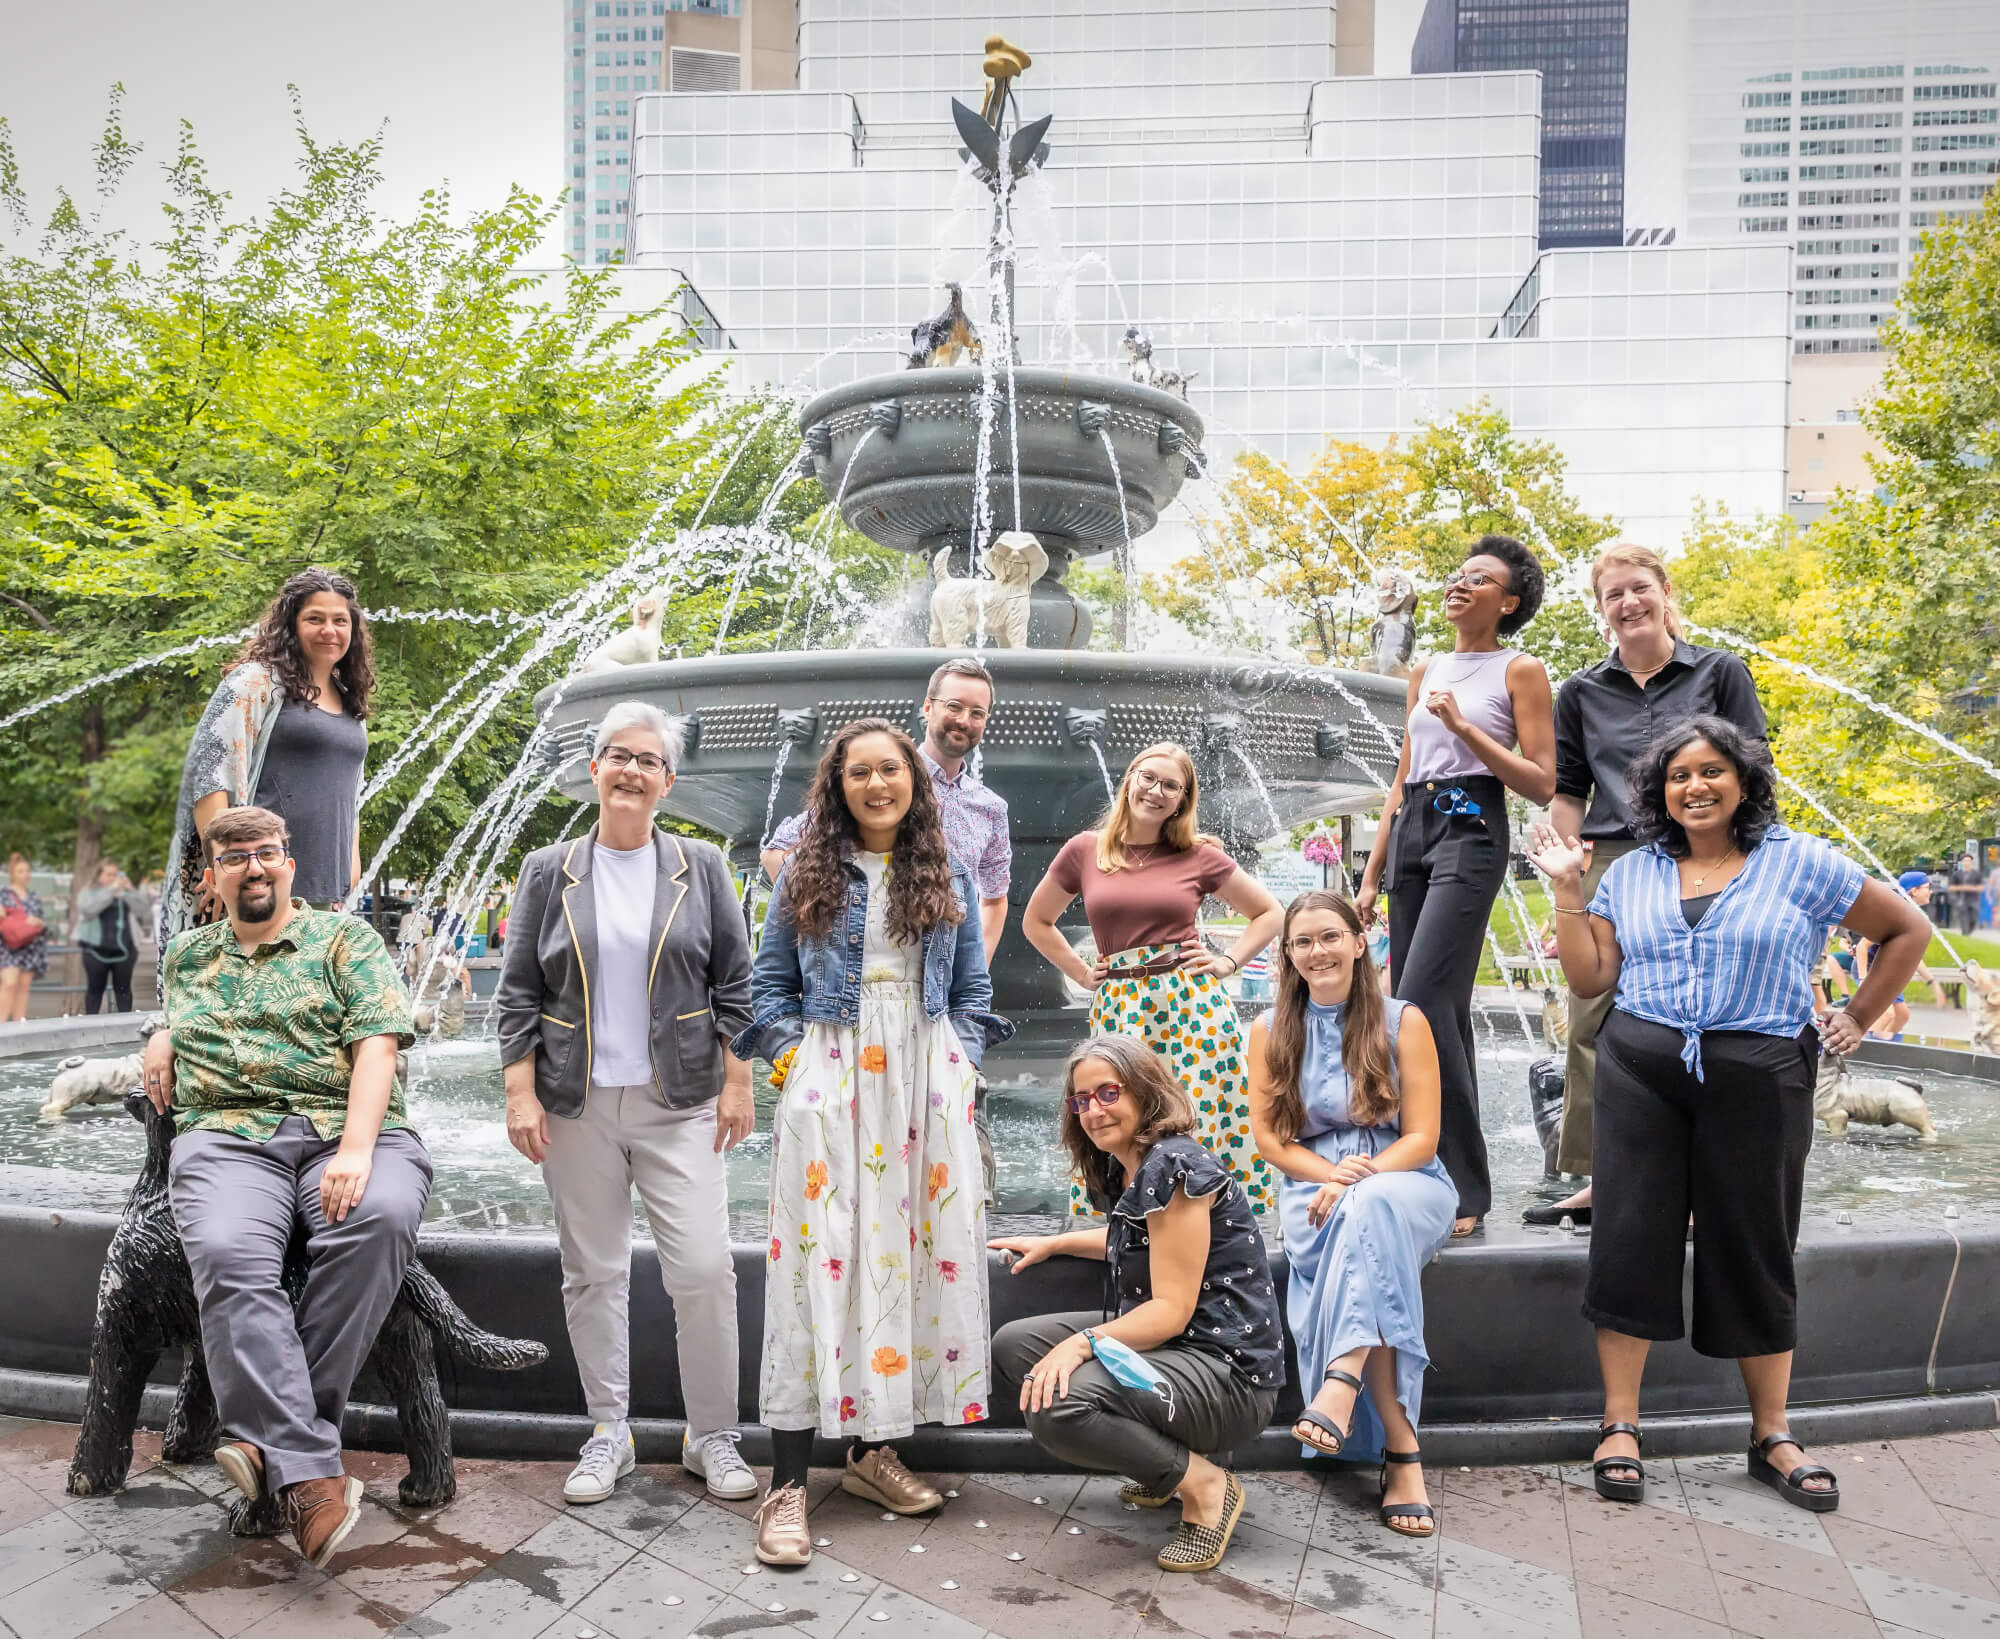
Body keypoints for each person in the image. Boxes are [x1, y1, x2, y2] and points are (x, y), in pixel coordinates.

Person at [1526, 715, 1932, 1513]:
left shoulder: (1800, 860)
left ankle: (1771, 1433)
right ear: (1660, 791)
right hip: (1641, 1069)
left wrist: (1857, 1012)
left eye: (1711, 770)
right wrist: (1568, 891)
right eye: (1678, 776)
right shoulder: (1636, 871)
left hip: (1760, 1073)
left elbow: (1905, 929)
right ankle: (1619, 1423)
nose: (1695, 786)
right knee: (1629, 1237)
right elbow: (1586, 978)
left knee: (1755, 1243)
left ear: (1742, 780)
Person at [734, 717, 1008, 1568]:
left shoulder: (948, 869)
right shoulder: (807, 873)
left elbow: (973, 988)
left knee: (903, 1258)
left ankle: (865, 1450)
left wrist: (957, 1064)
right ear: (839, 784)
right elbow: (766, 989)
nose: (877, 784)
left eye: (891, 769)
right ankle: (785, 1484)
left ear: (913, 781)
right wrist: (796, 1070)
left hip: (922, 1083)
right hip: (834, 1075)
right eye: (860, 773)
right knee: (817, 1261)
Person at [138, 805, 428, 1567]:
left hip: (348, 1129)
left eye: (266, 853)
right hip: (230, 1141)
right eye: (235, 858)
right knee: (230, 1251)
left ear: (290, 865)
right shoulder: (187, 958)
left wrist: (358, 1149)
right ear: (213, 878)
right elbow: (179, 1019)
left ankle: (272, 1453)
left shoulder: (345, 938)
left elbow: (377, 1044)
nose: (254, 867)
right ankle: (312, 1470)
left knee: (382, 1212)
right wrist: (162, 1034)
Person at [496, 702, 758, 1507]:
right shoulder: (549, 868)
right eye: (618, 756)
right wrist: (519, 1091)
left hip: (677, 1097)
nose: (632, 772)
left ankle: (711, 1431)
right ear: (594, 767)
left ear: (668, 781)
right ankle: (608, 1429)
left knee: (706, 1271)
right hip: (574, 1102)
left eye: (648, 761)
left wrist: (739, 1078)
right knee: (594, 1271)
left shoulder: (701, 867)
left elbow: (736, 983)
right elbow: (517, 994)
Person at [1524, 543, 1768, 1227]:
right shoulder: (1581, 691)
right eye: (1613, 595)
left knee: (1704, 1006)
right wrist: (1563, 881)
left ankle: (1700, 1173)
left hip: (1709, 851)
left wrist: (1755, 866)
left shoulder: (1720, 671)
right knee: (1590, 1010)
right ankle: (1605, 1176)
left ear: (1664, 591)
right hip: (1614, 860)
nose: (1628, 604)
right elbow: (1569, 791)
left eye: (1639, 589)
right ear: (1600, 610)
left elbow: (1753, 772)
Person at [990, 1034, 1283, 1575]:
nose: (1093, 1111)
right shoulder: (1130, 1166)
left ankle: (1204, 1486)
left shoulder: (1175, 1165)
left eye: (1108, 1093)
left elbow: (1170, 1308)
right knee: (1017, 1347)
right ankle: (1165, 1465)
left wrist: (1079, 1347)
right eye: (1081, 1100)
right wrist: (1054, 1242)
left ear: (1145, 1092)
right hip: (1177, 1349)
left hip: (1226, 1373)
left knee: (1057, 1402)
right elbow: (1143, 1245)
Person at [1354, 535, 1556, 1236]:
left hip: (1470, 824)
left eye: (1481, 579)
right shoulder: (1427, 670)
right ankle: (1430, 1163)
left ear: (1509, 602)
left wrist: (1464, 726)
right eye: (1458, 574)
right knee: (1425, 1007)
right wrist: (1370, 875)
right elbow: (1401, 780)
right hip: (1413, 826)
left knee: (1424, 1002)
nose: (1460, 584)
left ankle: (1462, 1187)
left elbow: (1540, 779)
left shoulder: (1520, 670)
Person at [1245, 891, 1457, 1537]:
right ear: (1287, 954)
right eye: (1302, 941)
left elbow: (1423, 1136)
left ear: (1359, 941)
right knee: (1369, 1231)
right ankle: (1403, 1449)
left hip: (1406, 1177)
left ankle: (1341, 1381)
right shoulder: (1268, 1030)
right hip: (1314, 1187)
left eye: (1330, 936)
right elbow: (1270, 1140)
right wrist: (1331, 1173)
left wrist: (1361, 1173)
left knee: (1373, 1207)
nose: (1318, 951)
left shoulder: (1403, 1020)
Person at [1021, 743, 1284, 1217]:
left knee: (1196, 1112)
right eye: (1149, 778)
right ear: (1130, 780)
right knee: (1117, 1111)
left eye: (1171, 787)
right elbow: (1037, 921)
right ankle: (1127, 1220)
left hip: (1190, 1004)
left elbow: (1269, 913)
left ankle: (1205, 1219)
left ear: (1182, 801)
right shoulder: (1085, 850)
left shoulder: (1198, 854)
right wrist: (1082, 972)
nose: (1156, 792)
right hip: (1121, 1002)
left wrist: (1228, 962)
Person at [162, 569, 374, 970]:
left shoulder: (351, 703)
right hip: (256, 878)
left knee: (304, 1013)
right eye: (315, 618)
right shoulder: (257, 683)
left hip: (320, 885)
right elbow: (209, 777)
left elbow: (351, 793)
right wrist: (222, 868)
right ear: (291, 624)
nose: (329, 629)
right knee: (247, 1009)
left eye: (340, 620)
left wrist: (352, 863)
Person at [762, 657, 1011, 964]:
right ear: (928, 707)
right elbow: (776, 853)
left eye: (977, 713)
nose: (963, 720)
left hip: (941, 983)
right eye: (954, 706)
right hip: (863, 977)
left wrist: (974, 970)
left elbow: (995, 898)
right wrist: (834, 932)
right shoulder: (883, 782)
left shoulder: (990, 808)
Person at [1851, 871, 1947, 1038]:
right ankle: (1865, 1049)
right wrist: (1863, 979)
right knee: (1887, 1014)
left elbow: (1913, 957)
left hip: (1886, 971)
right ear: (1914, 891)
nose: (1931, 891)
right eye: (1928, 887)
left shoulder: (1913, 916)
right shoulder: (1895, 913)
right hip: (1869, 969)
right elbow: (1862, 947)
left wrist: (1932, 982)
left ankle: (1886, 1046)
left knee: (1902, 1016)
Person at [76, 859, 147, 1015]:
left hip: (124, 950)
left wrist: (130, 892)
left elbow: (142, 910)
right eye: (108, 874)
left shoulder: (123, 894)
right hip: (95, 950)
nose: (112, 878)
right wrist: (109, 892)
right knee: (95, 989)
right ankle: (91, 1027)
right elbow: (88, 910)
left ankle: (125, 1025)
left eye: (115, 875)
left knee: (123, 989)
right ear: (99, 875)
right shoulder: (89, 892)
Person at [0, 854, 48, 1022]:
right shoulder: (3, 894)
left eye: (27, 871)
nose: (26, 875)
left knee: (23, 987)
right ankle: (2, 1025)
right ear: (12, 873)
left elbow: (43, 923)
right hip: (8, 946)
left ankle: (19, 1026)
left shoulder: (33, 896)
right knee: (9, 983)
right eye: (21, 871)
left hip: (30, 945)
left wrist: (38, 923)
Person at [1951, 852, 1984, 936]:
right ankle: (1965, 934)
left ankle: (1968, 931)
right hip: (1961, 899)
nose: (1967, 862)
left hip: (1973, 899)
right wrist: (1962, 887)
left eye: (1968, 861)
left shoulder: (1976, 874)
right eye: (1965, 861)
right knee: (1963, 918)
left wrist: (1970, 888)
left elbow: (1981, 887)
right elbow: (1951, 887)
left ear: (1971, 862)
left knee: (1973, 918)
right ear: (1962, 862)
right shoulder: (1957, 874)